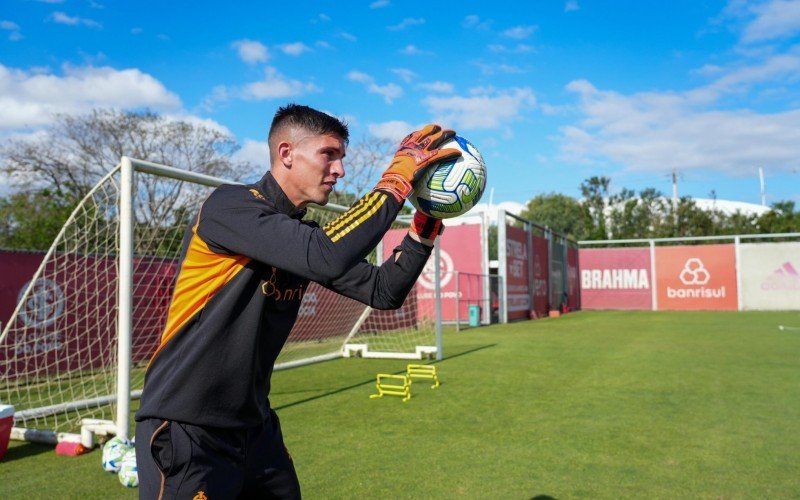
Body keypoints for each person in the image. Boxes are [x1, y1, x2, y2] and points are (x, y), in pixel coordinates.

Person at [134, 103, 461, 499]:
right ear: (286, 153)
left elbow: (382, 291)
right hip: (186, 426)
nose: (339, 170)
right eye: (329, 154)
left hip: (254, 429)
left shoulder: (300, 238)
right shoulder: (228, 207)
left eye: (341, 157)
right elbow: (325, 254)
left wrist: (422, 231)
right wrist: (397, 178)